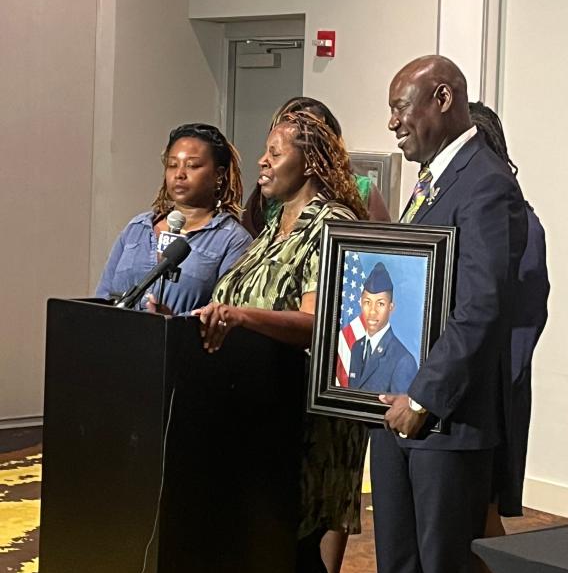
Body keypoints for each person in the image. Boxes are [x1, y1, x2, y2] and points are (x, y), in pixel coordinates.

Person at [332, 56, 527, 573]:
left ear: (442, 98)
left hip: (446, 421)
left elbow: (482, 306)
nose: (391, 122)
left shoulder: (485, 185)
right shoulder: (432, 182)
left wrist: (424, 393)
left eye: (401, 106)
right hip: (401, 416)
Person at [195, 109, 369, 573]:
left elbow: (321, 321)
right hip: (255, 406)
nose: (262, 162)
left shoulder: (332, 225)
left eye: (274, 152)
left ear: (311, 159)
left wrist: (241, 318)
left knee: (295, 541)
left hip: (306, 412)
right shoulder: (274, 224)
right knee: (267, 536)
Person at [468, 101, 549, 573]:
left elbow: (524, 317)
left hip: (496, 390)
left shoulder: (522, 221)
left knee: (486, 514)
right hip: (455, 389)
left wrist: (493, 382)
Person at [95, 123, 251, 311]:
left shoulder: (232, 239)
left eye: (192, 166)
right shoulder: (138, 227)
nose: (179, 174)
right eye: (172, 165)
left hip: (180, 339)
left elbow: (224, 315)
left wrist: (172, 323)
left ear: (218, 175)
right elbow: (103, 297)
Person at [242, 96, 391, 236]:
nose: (262, 161)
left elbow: (381, 252)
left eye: (316, 130)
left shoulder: (353, 197)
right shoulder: (266, 195)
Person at [347, 263, 419, 394]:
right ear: (361, 303)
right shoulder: (357, 348)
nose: (372, 311)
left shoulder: (403, 361)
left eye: (380, 303)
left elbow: (400, 412)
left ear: (391, 307)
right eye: (367, 302)